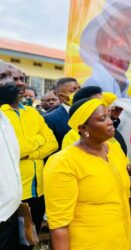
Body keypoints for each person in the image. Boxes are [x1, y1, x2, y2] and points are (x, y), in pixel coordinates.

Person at [44, 95, 131, 250]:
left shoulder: (115, 149)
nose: (110, 121)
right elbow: (59, 225)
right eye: (102, 118)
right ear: (83, 128)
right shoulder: (63, 162)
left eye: (109, 116)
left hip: (121, 242)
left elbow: (125, 197)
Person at [0, 63, 58, 249]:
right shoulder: (3, 113)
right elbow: (16, 149)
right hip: (11, 199)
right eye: (9, 78)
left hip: (36, 191)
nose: (18, 83)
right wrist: (36, 141)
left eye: (21, 78)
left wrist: (31, 154)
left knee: (29, 242)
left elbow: (52, 143)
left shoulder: (32, 112)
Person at [80, 0, 131, 97]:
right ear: (97, 40)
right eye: (113, 29)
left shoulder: (128, 100)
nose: (122, 42)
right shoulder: (88, 98)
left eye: (129, 30)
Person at [62, 86, 128, 154]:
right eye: (97, 103)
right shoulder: (71, 138)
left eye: (103, 101)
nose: (103, 105)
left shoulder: (111, 141)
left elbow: (123, 160)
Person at [0, 61, 22, 250]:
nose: (12, 83)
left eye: (12, 77)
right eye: (3, 77)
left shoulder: (5, 119)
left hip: (9, 215)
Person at [44, 77, 80, 148]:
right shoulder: (50, 119)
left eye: (79, 89)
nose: (79, 92)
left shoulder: (89, 112)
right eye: (73, 90)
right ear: (62, 96)